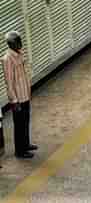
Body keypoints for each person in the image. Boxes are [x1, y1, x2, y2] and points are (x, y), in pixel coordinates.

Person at [3, 31, 37, 159]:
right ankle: (20, 151)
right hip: (17, 98)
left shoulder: (19, 53)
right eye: (18, 41)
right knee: (19, 124)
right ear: (11, 44)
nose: (21, 43)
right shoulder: (7, 59)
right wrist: (14, 101)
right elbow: (9, 82)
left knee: (25, 121)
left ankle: (26, 144)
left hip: (25, 95)